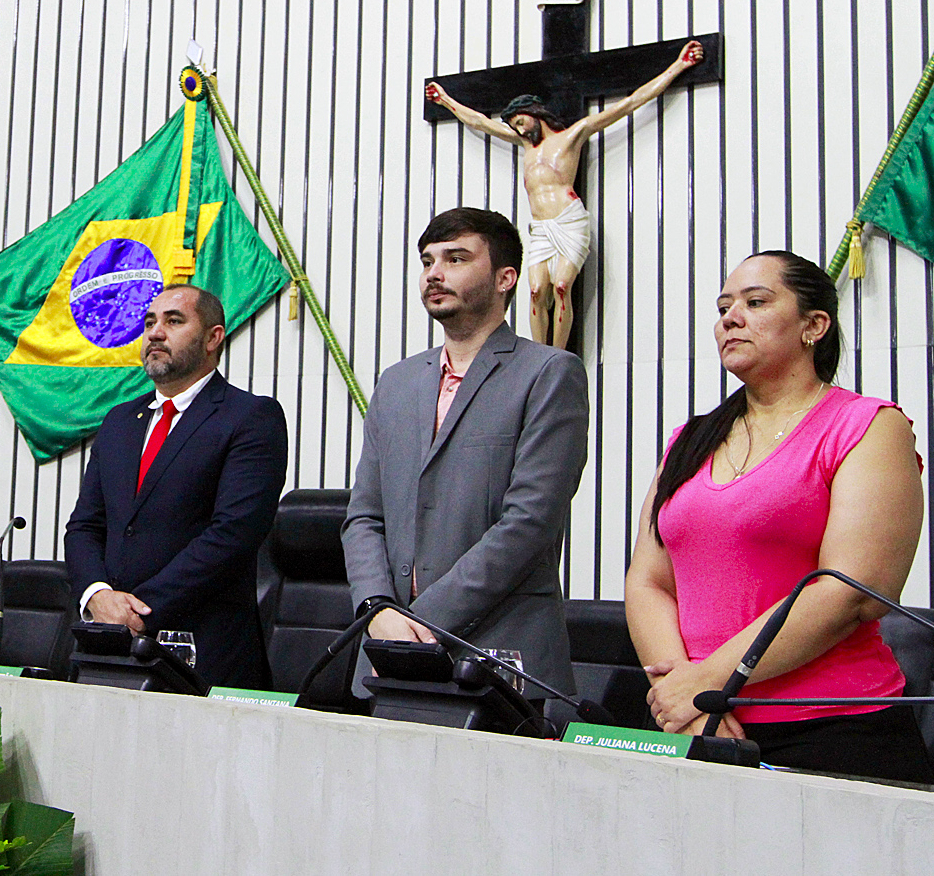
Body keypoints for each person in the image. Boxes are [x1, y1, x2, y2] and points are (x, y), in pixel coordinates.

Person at [625, 251, 932, 781]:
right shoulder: (691, 438)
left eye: (755, 302)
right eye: (724, 307)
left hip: (833, 729)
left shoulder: (866, 425)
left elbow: (849, 590)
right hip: (695, 726)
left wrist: (704, 687)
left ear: (814, 325)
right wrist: (685, 702)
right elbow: (648, 580)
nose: (729, 317)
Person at [342, 208, 589, 700]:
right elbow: (363, 516)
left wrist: (420, 619)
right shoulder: (397, 382)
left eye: (456, 259)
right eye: (427, 260)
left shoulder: (549, 373)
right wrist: (377, 608)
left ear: (505, 278)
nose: (434, 273)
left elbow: (529, 523)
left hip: (501, 655)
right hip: (387, 652)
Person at [64, 284, 290, 690]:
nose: (154, 332)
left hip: (202, 653)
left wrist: (137, 612)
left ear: (213, 338)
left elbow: (233, 534)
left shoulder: (250, 417)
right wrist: (97, 596)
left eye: (173, 321)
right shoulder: (118, 421)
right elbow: (85, 527)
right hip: (107, 648)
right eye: (150, 321)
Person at [425, 40, 704, 348]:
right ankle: (538, 354)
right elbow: (480, 121)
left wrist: (680, 65)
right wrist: (446, 100)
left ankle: (556, 357)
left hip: (568, 219)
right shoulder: (525, 145)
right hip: (542, 227)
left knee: (560, 287)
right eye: (514, 126)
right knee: (534, 291)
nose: (518, 130)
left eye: (520, 122)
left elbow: (630, 103)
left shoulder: (572, 136)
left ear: (534, 114)